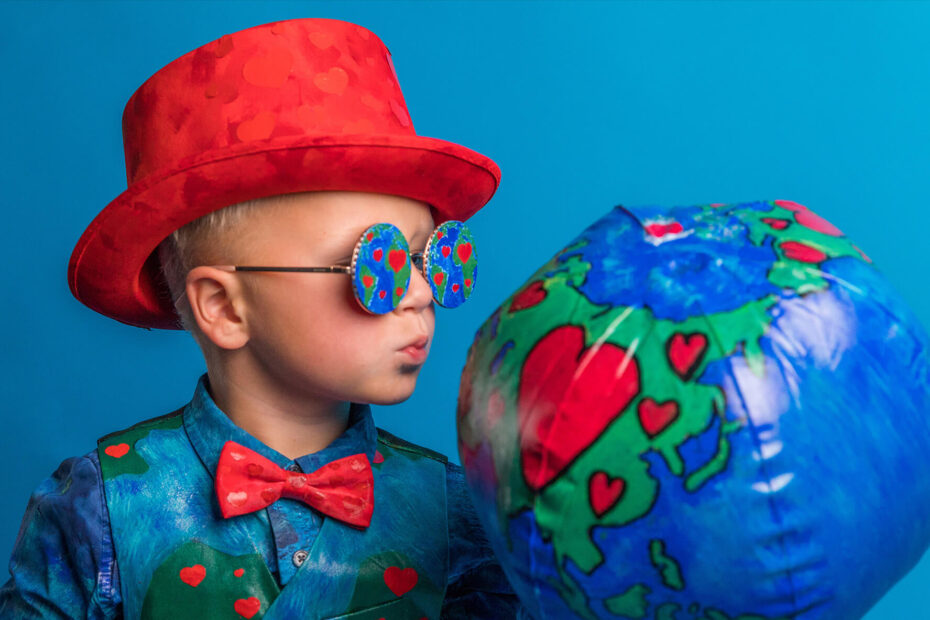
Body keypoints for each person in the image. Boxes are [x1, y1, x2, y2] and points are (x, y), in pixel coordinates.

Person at [0, 18, 520, 619]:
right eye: (380, 264)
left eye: (436, 259)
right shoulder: (98, 510)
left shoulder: (454, 512)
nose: (422, 294)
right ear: (223, 307)